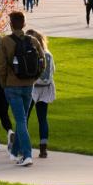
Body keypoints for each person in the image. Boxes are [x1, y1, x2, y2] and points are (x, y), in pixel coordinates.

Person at [0, 11, 44, 166]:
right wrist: (34, 78)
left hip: (12, 85)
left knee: (20, 120)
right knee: (21, 120)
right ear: (24, 24)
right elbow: (42, 62)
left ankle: (27, 154)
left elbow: (0, 66)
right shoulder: (33, 40)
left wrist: (4, 83)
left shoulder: (5, 42)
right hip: (28, 86)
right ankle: (15, 152)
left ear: (11, 24)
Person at [26, 28, 56, 158]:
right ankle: (43, 149)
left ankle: (23, 146)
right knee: (42, 119)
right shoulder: (48, 54)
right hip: (46, 87)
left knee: (24, 118)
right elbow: (53, 70)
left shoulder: (32, 53)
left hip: (32, 87)